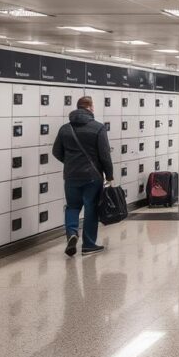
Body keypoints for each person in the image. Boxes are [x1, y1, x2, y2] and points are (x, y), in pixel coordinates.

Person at [51, 96, 114, 257]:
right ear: (90, 107)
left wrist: (70, 162)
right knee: (91, 208)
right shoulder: (98, 128)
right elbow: (105, 155)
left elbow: (56, 151)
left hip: (71, 176)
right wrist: (110, 175)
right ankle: (88, 245)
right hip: (92, 176)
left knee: (72, 206)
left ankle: (72, 233)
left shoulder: (65, 128)